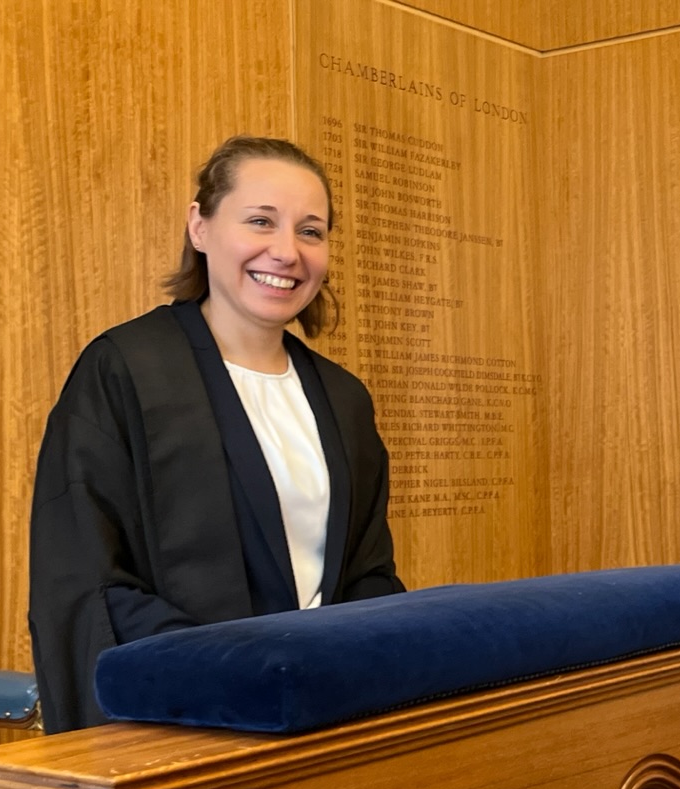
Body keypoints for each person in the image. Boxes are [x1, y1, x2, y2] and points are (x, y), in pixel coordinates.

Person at [29, 136, 406, 733]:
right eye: (260, 221)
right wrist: (230, 678)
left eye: (311, 231)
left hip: (324, 715)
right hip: (186, 721)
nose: (286, 252)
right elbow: (89, 578)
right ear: (199, 227)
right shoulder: (126, 371)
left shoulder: (343, 399)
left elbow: (368, 574)